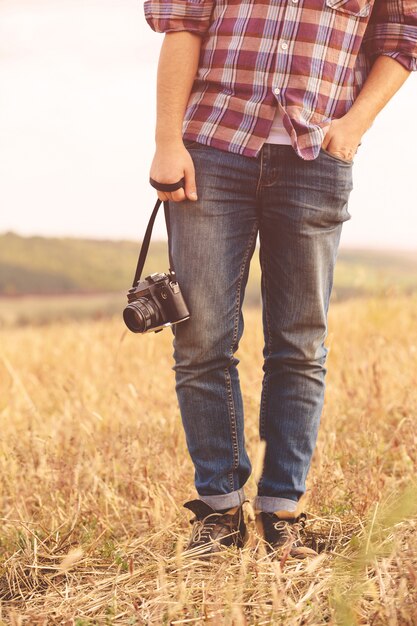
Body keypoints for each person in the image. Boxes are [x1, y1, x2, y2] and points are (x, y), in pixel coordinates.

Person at [143, 0, 416, 558]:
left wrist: (352, 128)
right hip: (213, 148)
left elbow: (402, 37)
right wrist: (167, 140)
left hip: (316, 156)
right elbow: (183, 25)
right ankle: (219, 512)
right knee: (201, 338)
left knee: (299, 342)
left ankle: (281, 513)